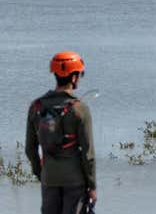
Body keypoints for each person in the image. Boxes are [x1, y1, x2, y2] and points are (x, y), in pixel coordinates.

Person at [26, 51, 96, 214]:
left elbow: (30, 149)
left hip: (49, 178)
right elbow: (88, 154)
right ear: (73, 77)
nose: (80, 77)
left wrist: (41, 174)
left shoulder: (36, 106)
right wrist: (92, 186)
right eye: (80, 74)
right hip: (75, 180)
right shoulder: (80, 109)